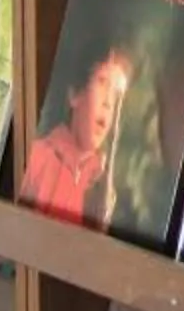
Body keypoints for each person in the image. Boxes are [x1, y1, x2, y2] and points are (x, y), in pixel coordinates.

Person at [19, 47, 133, 226]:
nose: (108, 102)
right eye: (102, 82)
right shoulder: (36, 158)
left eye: (115, 95)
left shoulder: (102, 187)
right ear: (74, 94)